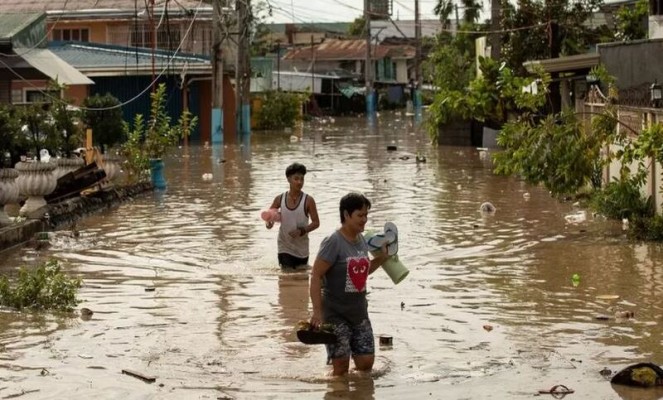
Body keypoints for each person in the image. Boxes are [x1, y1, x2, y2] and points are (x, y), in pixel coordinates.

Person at [308, 192, 389, 376]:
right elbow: (316, 275)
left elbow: (363, 271)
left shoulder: (361, 240)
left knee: (366, 364)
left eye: (366, 215)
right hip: (336, 315)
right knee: (341, 368)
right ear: (346, 215)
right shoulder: (333, 242)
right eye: (360, 215)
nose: (364, 220)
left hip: (359, 312)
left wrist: (383, 257)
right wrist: (317, 313)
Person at [266, 162, 320, 269]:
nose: (299, 182)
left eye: (302, 179)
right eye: (296, 179)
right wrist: (269, 222)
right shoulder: (279, 199)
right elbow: (268, 220)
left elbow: (316, 223)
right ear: (289, 179)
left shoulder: (308, 200)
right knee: (287, 274)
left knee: (302, 277)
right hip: (284, 246)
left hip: (302, 248)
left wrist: (302, 231)